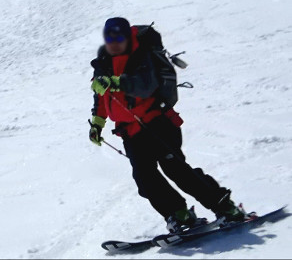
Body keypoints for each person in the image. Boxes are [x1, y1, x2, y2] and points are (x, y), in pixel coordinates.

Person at [88, 17, 249, 233]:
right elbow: (101, 97)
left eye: (119, 36)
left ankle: (225, 207)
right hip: (130, 132)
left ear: (128, 36)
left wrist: (117, 82)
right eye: (109, 37)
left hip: (158, 123)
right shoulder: (103, 63)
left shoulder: (141, 55)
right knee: (144, 178)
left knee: (177, 171)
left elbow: (146, 85)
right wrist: (97, 124)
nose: (114, 42)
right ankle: (179, 214)